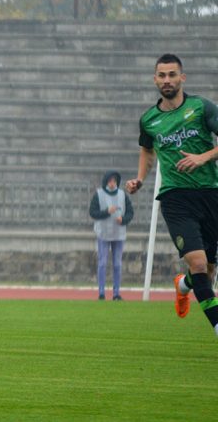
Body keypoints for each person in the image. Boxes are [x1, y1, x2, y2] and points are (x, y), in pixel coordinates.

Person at [125, 53, 218, 335]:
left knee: (207, 273)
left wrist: (204, 157)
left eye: (172, 75)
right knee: (199, 263)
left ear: (182, 78)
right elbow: (147, 150)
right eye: (162, 75)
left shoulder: (201, 108)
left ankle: (183, 285)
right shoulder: (149, 120)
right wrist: (140, 179)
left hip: (210, 194)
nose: (167, 80)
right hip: (175, 197)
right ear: (155, 79)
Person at [88, 170, 134, 301]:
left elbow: (130, 213)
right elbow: (93, 212)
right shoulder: (99, 194)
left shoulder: (122, 195)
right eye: (110, 181)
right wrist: (106, 212)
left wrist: (123, 219)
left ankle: (116, 293)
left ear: (117, 182)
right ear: (106, 181)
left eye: (114, 181)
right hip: (103, 233)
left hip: (118, 233)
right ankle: (101, 292)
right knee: (102, 263)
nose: (112, 183)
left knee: (117, 264)